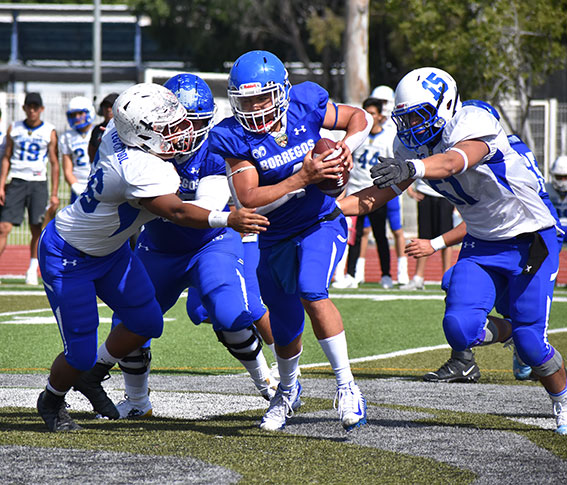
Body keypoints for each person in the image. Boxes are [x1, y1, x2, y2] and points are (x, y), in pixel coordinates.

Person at [339, 67, 566, 435]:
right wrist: (327, 208)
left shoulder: (473, 119)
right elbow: (374, 197)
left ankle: (562, 399)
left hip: (530, 237)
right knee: (459, 328)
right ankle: (513, 332)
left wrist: (412, 167)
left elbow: (454, 161)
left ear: (445, 105)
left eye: (418, 115)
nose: (411, 126)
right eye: (405, 117)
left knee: (531, 345)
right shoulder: (410, 148)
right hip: (482, 240)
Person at [35, 82, 269, 432]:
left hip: (111, 251)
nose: (181, 132)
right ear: (143, 135)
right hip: (70, 256)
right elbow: (177, 212)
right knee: (79, 352)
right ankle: (52, 399)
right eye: (169, 128)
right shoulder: (142, 169)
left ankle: (91, 377)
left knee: (146, 322)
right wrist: (228, 218)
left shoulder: (119, 131)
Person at [208, 50, 372, 432]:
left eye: (261, 97)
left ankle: (347, 387)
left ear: (281, 91)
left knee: (311, 289)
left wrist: (346, 149)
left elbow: (357, 117)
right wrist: (304, 177)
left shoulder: (304, 101)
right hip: (273, 235)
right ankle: (287, 390)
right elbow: (248, 198)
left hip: (319, 221)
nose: (253, 107)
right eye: (245, 99)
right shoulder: (232, 136)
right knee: (283, 325)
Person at [106, 74, 278, 419]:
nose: (185, 133)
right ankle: (137, 401)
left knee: (231, 313)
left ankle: (270, 385)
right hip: (158, 247)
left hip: (210, 242)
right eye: (177, 123)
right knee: (128, 321)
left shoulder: (216, 148)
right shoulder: (134, 143)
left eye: (194, 123)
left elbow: (203, 210)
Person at [421, 100, 566, 383]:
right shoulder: (500, 147)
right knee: (456, 283)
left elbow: (496, 211)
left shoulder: (496, 153)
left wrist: (436, 243)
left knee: (527, 331)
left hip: (528, 237)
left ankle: (525, 343)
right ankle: (471, 356)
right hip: (493, 239)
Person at [332, 96, 408, 289]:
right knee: (354, 236)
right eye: (367, 113)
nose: (370, 117)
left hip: (376, 192)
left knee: (380, 234)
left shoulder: (387, 138)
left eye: (373, 113)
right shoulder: (358, 136)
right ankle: (351, 274)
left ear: (380, 116)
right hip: (356, 191)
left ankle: (386, 275)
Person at [0, 92, 60, 286]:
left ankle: (32, 268)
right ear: (24, 108)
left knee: (37, 228)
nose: (32, 110)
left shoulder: (49, 130)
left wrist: (54, 193)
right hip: (17, 180)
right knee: (3, 227)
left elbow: (54, 162)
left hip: (38, 182)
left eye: (36, 107)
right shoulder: (14, 128)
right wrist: (1, 184)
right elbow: (7, 157)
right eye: (29, 106)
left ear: (41, 109)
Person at [400, 179, 454, 290]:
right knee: (424, 235)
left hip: (446, 194)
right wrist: (410, 190)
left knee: (447, 238)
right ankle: (418, 278)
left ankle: (447, 278)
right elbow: (410, 164)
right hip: (424, 192)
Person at [60, 96, 96, 204]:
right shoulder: (67, 137)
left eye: (80, 113)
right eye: (74, 115)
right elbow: (67, 169)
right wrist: (76, 186)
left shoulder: (98, 131)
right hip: (78, 185)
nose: (77, 117)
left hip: (98, 184)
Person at [88, 92, 119, 163]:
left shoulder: (126, 129)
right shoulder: (97, 130)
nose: (108, 109)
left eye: (111, 106)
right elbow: (92, 151)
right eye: (106, 106)